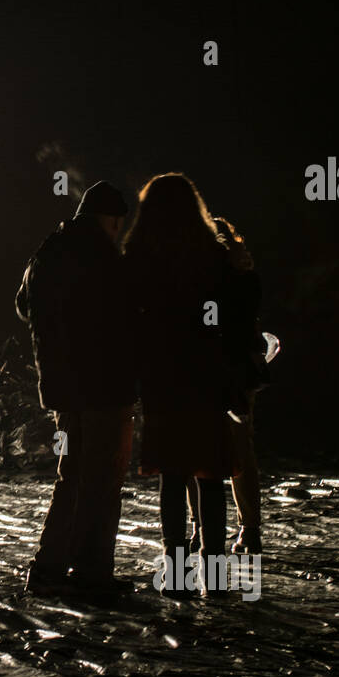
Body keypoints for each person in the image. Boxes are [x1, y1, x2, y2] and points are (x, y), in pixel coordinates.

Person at [16, 182, 135, 595]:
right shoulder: (104, 255)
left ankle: (48, 568)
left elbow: (21, 303)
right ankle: (92, 572)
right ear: (112, 219)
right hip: (104, 385)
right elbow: (127, 315)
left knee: (71, 475)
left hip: (63, 389)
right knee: (102, 479)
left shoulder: (49, 248)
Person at [124, 174, 236, 597]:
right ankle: (216, 573)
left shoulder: (139, 254)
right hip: (206, 372)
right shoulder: (212, 254)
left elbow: (131, 314)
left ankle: (176, 573)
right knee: (211, 475)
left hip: (162, 374)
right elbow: (230, 314)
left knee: (172, 476)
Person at [186, 216, 269, 554]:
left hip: (210, 371)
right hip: (236, 371)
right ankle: (247, 529)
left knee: (200, 451)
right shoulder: (243, 278)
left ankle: (203, 528)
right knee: (237, 450)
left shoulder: (202, 278)